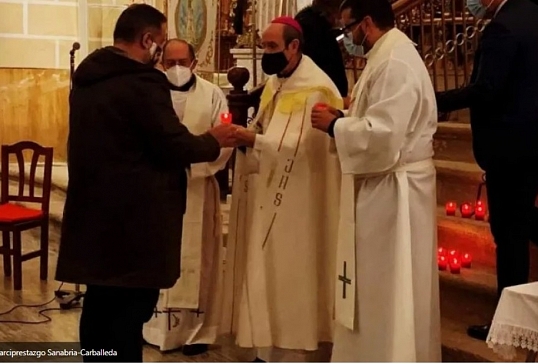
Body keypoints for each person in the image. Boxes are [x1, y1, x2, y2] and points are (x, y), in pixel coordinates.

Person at [54, 4, 236, 362]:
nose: (161, 52)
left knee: (100, 307)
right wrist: (215, 138)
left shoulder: (89, 80)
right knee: (129, 315)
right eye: (161, 42)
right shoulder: (142, 83)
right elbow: (173, 145)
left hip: (95, 216)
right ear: (147, 39)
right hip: (134, 224)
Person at [310, 0, 441, 361]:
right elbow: (378, 115)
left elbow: (384, 135)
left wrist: (336, 125)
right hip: (385, 184)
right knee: (373, 285)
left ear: (366, 23)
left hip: (393, 189)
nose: (347, 37)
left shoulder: (395, 62)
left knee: (386, 286)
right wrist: (345, 114)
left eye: (348, 27)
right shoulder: (387, 54)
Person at [220, 16, 342, 362]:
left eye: (272, 47)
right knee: (267, 268)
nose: (266, 54)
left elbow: (304, 146)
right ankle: (266, 346)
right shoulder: (276, 82)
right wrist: (247, 137)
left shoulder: (317, 87)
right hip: (271, 192)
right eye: (264, 46)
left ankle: (294, 350)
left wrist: (252, 138)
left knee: (294, 270)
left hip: (302, 199)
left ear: (294, 46)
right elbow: (269, 126)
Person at [436, 0, 538, 342]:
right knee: (522, 225)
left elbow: (486, 89)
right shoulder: (532, 15)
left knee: (510, 235)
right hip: (530, 142)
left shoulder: (502, 27)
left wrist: (435, 100)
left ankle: (508, 325)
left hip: (508, 147)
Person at [143, 38, 232, 356]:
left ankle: (196, 333)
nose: (177, 68)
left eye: (183, 62)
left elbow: (226, 139)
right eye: (170, 62)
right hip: (157, 192)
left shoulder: (213, 94)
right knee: (160, 256)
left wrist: (194, 168)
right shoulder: (150, 92)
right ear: (160, 63)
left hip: (198, 188)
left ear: (195, 63)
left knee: (200, 261)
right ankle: (154, 328)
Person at [295, 0, 349, 99]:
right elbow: (328, 65)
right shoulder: (317, 29)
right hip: (320, 94)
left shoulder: (307, 21)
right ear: (333, 11)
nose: (340, 19)